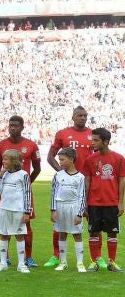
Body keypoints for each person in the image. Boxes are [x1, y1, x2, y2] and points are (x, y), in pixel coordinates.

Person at [44, 106, 93, 268]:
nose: (83, 118)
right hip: (67, 184)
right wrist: (61, 172)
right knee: (60, 223)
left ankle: (94, 258)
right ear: (73, 117)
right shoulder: (62, 133)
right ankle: (56, 256)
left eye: (85, 115)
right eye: (80, 115)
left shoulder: (92, 134)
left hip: (86, 180)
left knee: (87, 218)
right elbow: (51, 156)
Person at [0, 116, 41, 267]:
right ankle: (5, 258)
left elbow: (37, 168)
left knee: (26, 224)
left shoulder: (31, 145)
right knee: (4, 224)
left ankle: (28, 257)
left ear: (22, 127)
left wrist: (25, 184)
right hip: (6, 192)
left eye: (15, 125)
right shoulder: (0, 145)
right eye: (10, 125)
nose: (12, 128)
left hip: (23, 193)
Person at [82, 128, 125, 272]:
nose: (92, 143)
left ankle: (112, 262)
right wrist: (85, 204)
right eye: (92, 140)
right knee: (93, 232)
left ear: (106, 141)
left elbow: (121, 181)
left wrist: (120, 202)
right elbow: (87, 181)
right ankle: (94, 262)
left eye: (96, 140)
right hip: (93, 203)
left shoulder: (119, 158)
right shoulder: (90, 159)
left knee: (112, 232)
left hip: (111, 202)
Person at [0, 150, 32, 274]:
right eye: (3, 159)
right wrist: (1, 176)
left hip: (18, 209)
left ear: (14, 161)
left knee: (19, 235)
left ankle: (21, 263)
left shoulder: (23, 174)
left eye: (6, 159)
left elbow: (27, 193)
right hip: (4, 208)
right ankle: (3, 262)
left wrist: (26, 212)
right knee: (3, 234)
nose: (3, 162)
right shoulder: (4, 174)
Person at [50, 148, 87, 272]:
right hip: (60, 207)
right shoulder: (58, 175)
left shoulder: (80, 177)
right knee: (62, 233)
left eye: (62, 159)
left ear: (71, 160)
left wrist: (79, 214)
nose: (60, 162)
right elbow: (53, 194)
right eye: (59, 160)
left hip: (74, 206)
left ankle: (80, 263)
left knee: (77, 234)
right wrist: (53, 210)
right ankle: (63, 262)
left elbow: (82, 196)